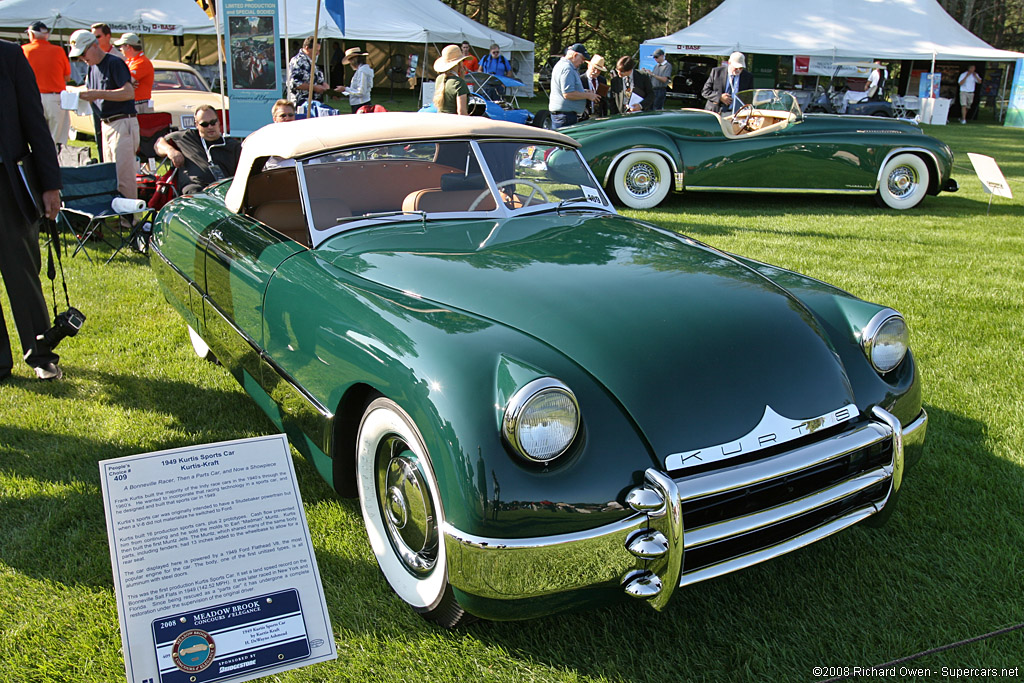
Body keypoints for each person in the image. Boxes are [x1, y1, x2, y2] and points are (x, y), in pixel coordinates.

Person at [0, 40, 64, 381]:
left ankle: (40, 355)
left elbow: (35, 123)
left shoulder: (9, 56)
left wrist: (50, 184)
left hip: (6, 185)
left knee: (22, 273)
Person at [69, 29, 138, 201]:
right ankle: (117, 214)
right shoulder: (91, 69)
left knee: (124, 177)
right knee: (111, 175)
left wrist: (98, 94)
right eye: (79, 56)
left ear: (94, 45)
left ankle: (132, 220)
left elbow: (128, 93)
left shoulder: (114, 62)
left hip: (122, 122)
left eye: (83, 53)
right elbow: (92, 92)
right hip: (106, 124)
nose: (82, 58)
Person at [154, 104, 241, 194]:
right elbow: (159, 144)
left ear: (218, 122)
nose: (210, 127)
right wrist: (171, 151)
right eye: (204, 124)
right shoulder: (185, 137)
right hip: (195, 189)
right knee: (194, 191)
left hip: (224, 190)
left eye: (213, 122)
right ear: (196, 124)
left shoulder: (233, 146)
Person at [21, 21, 71, 147]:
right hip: (56, 99)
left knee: (34, 138)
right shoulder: (58, 51)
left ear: (31, 35)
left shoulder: (24, 50)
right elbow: (67, 76)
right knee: (54, 140)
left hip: (33, 98)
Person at [547, 43, 599, 130]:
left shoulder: (563, 65)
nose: (583, 62)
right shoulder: (567, 68)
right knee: (565, 142)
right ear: (575, 55)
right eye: (582, 58)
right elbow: (568, 94)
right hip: (564, 117)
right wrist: (588, 96)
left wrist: (584, 92)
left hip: (564, 115)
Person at [287, 36, 330, 108]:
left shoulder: (312, 62)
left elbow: (319, 79)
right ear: (307, 48)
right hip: (302, 104)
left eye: (319, 50)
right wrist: (314, 87)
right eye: (316, 50)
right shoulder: (297, 61)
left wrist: (324, 84)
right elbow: (294, 83)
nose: (318, 53)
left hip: (316, 103)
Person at [114, 33, 154, 106]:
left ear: (128, 47)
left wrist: (126, 82)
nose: (120, 49)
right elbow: (124, 80)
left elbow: (125, 81)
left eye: (122, 46)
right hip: (133, 103)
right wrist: (127, 83)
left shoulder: (142, 62)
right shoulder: (129, 61)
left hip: (140, 104)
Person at [432, 44, 470, 116]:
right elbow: (462, 112)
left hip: (440, 120)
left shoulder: (439, 79)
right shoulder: (459, 83)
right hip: (454, 123)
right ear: (459, 63)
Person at [338, 47, 373, 113]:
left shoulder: (362, 71)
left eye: (350, 60)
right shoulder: (361, 70)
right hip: (358, 103)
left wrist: (345, 89)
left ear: (354, 59)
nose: (350, 63)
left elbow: (360, 92)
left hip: (361, 104)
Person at [583, 54, 608, 118]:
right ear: (588, 66)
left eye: (599, 70)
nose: (596, 72)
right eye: (594, 68)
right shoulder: (580, 79)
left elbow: (604, 100)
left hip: (598, 116)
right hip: (584, 116)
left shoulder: (602, 80)